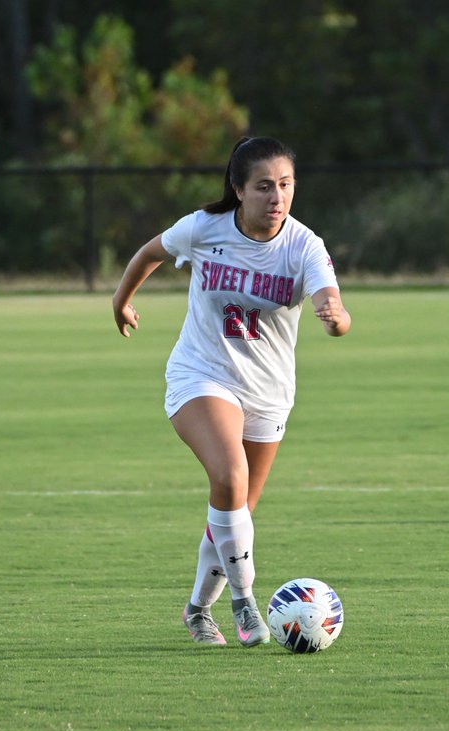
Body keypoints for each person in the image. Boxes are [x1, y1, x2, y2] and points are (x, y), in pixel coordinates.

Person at [112, 136, 352, 648]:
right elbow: (151, 252)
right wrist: (121, 298)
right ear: (239, 190)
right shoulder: (205, 228)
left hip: (268, 393)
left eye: (285, 185)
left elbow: (331, 300)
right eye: (264, 186)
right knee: (230, 475)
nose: (277, 197)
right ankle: (245, 602)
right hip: (201, 375)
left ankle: (198, 610)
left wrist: (336, 319)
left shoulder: (304, 244)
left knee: (234, 507)